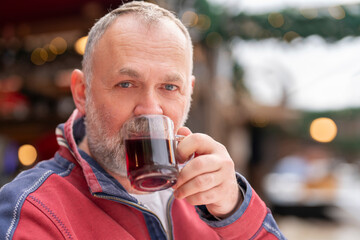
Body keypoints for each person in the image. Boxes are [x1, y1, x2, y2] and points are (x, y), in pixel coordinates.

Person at [0, 1, 285, 239]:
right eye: (126, 84)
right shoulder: (32, 210)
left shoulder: (212, 196)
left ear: (189, 94)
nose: (150, 109)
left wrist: (234, 209)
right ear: (82, 92)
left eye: (170, 87)